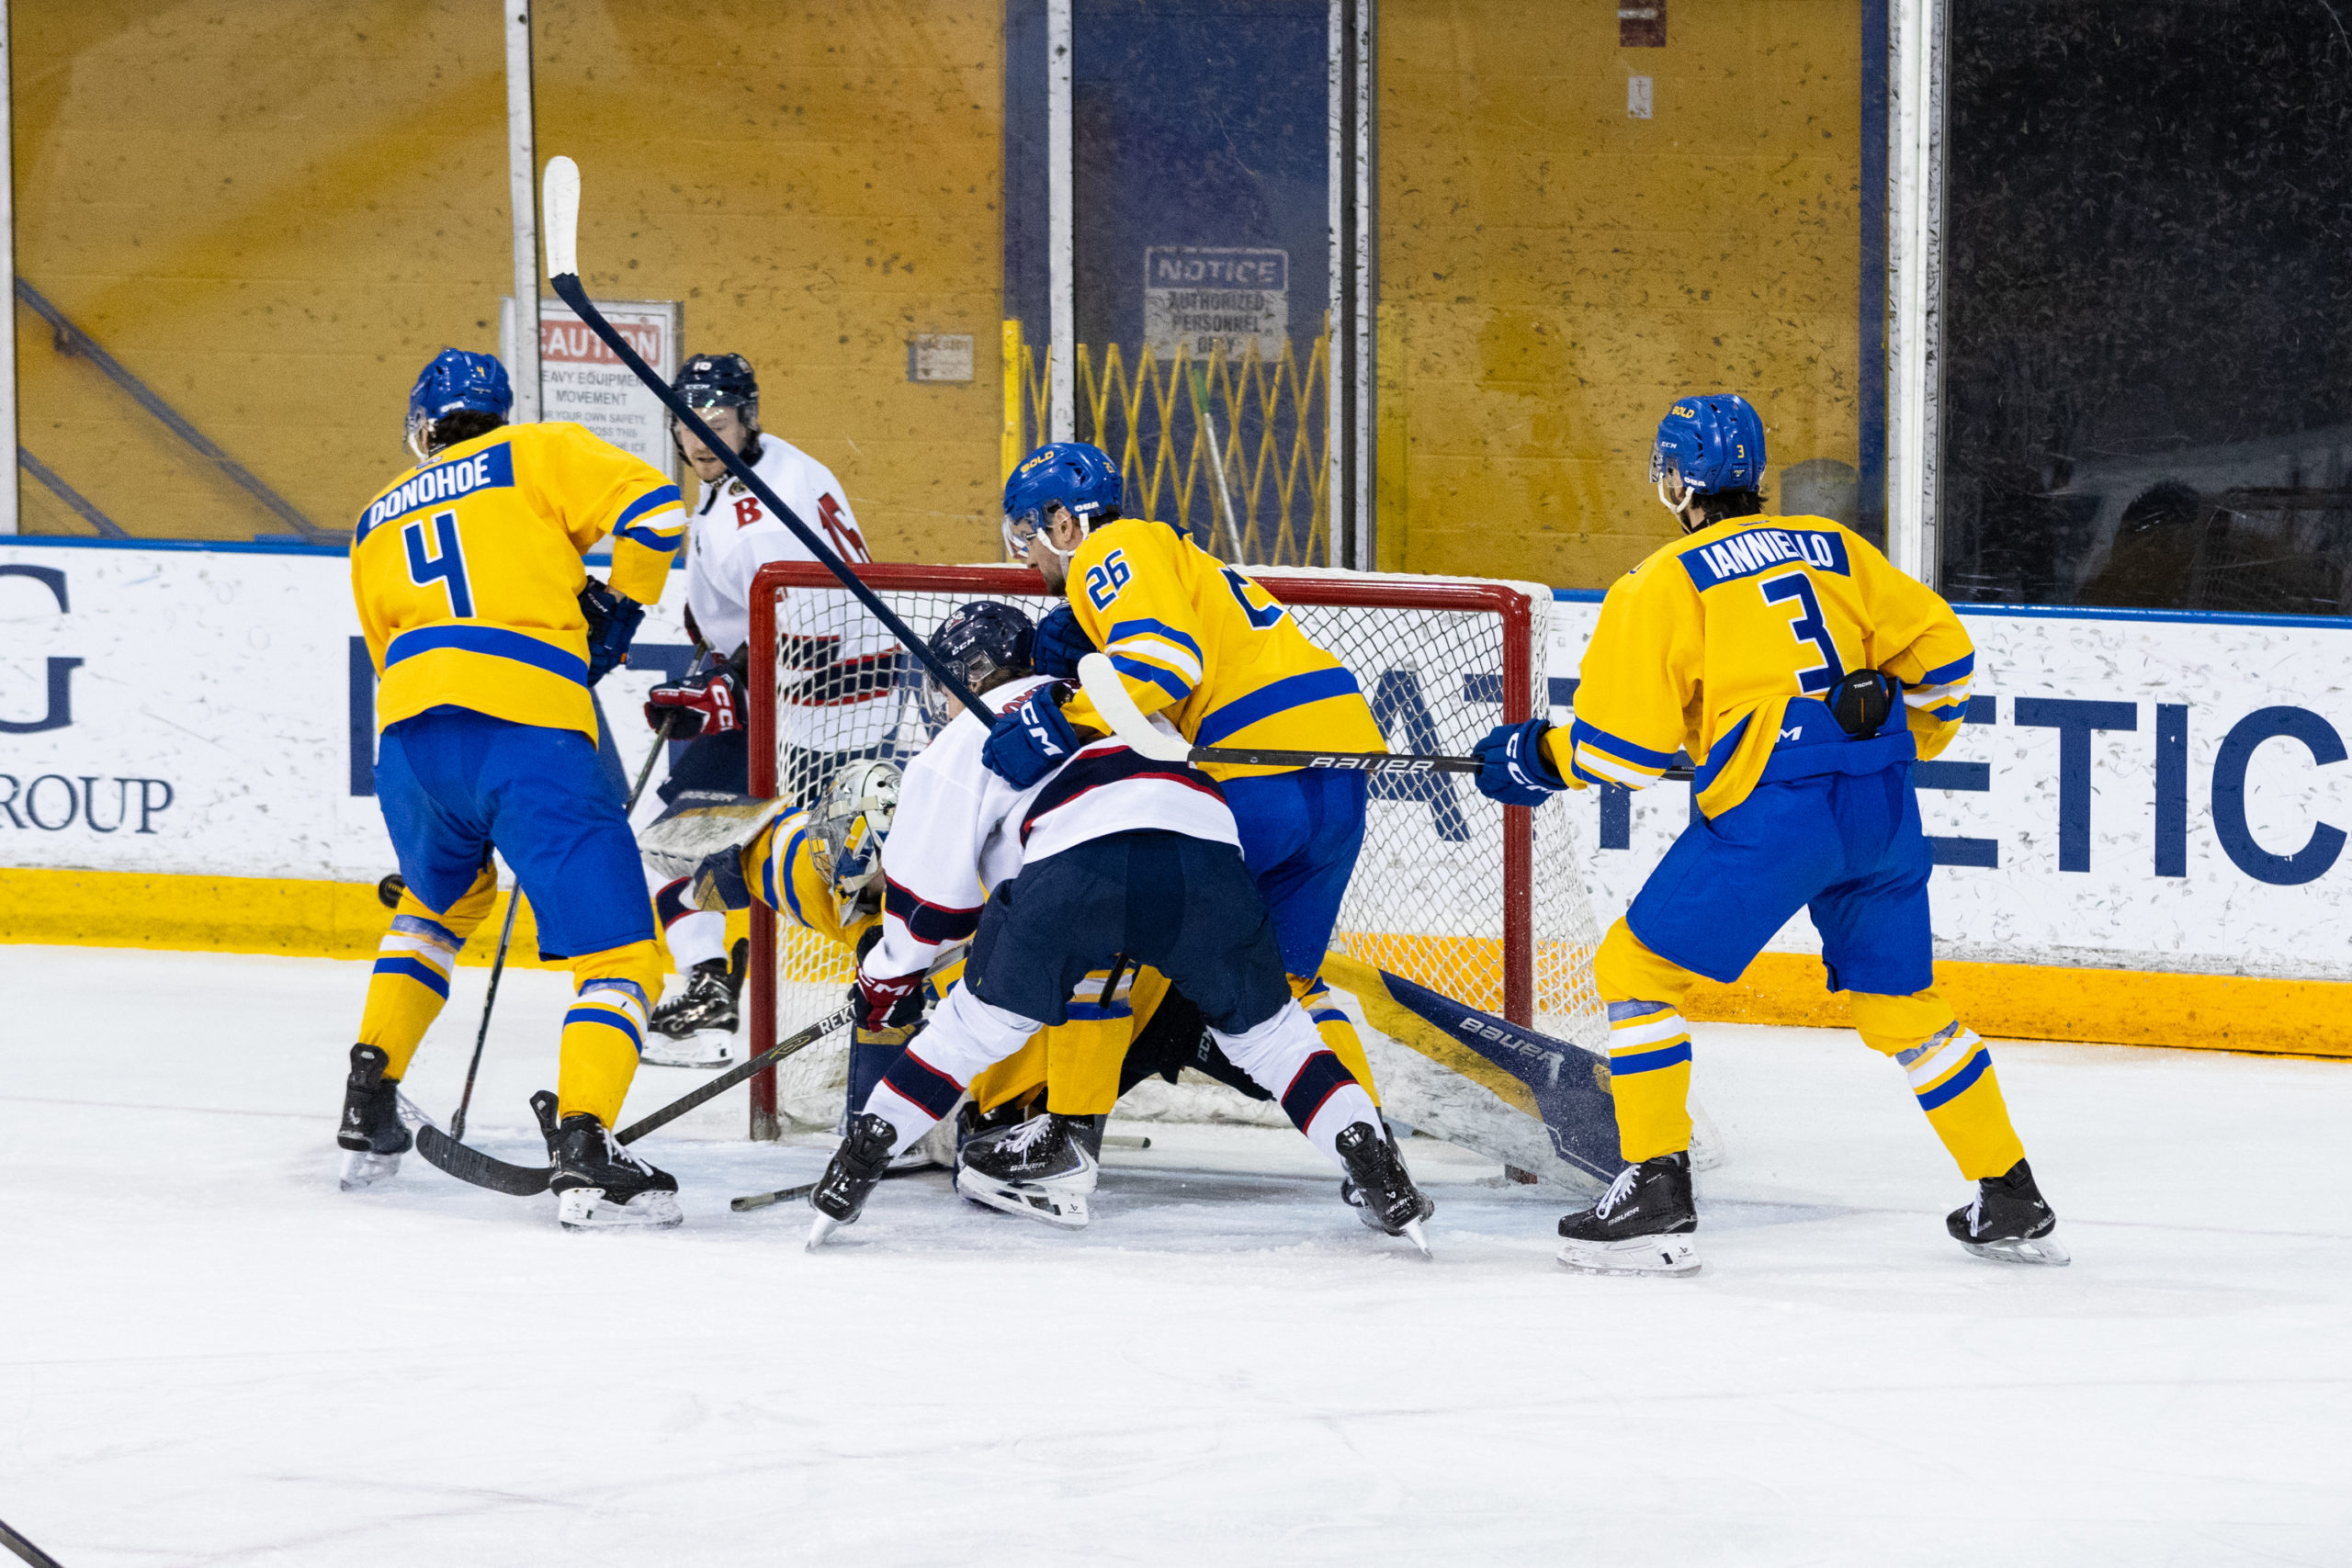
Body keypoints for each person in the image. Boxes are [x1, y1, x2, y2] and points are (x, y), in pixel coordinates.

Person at [1469, 392, 2064, 1274]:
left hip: (1777, 813)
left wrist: (1536, 757)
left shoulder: (1662, 581)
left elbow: (1622, 752)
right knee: (1900, 1003)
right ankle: (2008, 1189)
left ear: (1678, 481)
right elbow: (1947, 666)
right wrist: (1896, 739)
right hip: (1881, 806)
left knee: (1634, 970)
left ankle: (1656, 1188)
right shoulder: (1837, 547)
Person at [805, 601, 1434, 1250]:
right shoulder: (1114, 697)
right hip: (1209, 863)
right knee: (1275, 1039)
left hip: (1079, 874)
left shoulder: (969, 733)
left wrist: (886, 980)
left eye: (944, 683)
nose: (941, 699)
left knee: (966, 1033)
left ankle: (855, 1169)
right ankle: (1376, 1163)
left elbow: (930, 907)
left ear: (971, 673)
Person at [684, 604, 1327, 1229]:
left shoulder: (975, 758)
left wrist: (889, 972)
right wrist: (741, 863)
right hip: (1177, 957)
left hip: (1111, 975)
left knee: (996, 1026)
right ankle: (1047, 1121)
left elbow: (891, 898)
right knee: (1253, 1022)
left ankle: (1052, 1129)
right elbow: (808, 859)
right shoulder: (1096, 716)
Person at [336, 347, 688, 1230]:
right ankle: (585, 1143)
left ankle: (368, 1094)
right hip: (528, 733)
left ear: (424, 426)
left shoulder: (375, 516)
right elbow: (658, 512)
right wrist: (623, 607)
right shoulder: (535, 449)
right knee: (621, 954)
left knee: (435, 909)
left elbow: (385, 647)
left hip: (412, 741)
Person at [979, 442, 1390, 1136]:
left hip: (1255, 773)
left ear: (1064, 522)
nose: (1026, 558)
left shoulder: (1112, 548)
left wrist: (1061, 720)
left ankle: (1065, 1137)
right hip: (1341, 777)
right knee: (1287, 986)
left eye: (1028, 533)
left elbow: (1164, 663)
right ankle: (1370, 1146)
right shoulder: (1181, 560)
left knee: (1107, 930)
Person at [637, 352, 888, 1066]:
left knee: (679, 843)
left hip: (816, 714)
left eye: (715, 424)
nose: (698, 441)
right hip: (831, 700)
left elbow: (808, 637)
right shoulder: (773, 462)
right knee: (714, 843)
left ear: (746, 418)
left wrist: (728, 692)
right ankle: (721, 985)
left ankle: (712, 994)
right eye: (686, 426)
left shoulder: (756, 524)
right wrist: (719, 631)